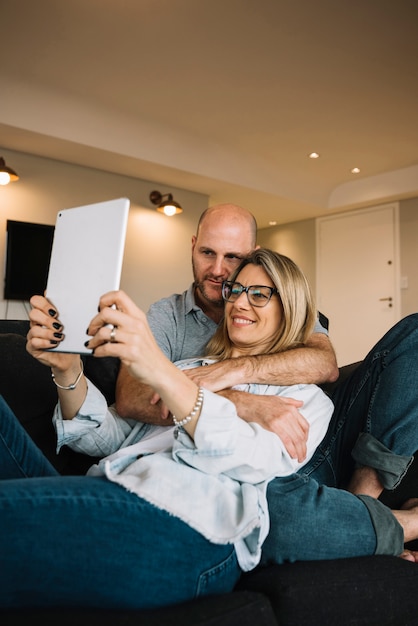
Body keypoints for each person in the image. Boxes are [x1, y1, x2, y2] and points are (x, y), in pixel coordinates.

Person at [0, 249, 335, 609]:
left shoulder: (304, 398)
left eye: (258, 294)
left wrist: (162, 371)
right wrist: (66, 369)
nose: (239, 303)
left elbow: (250, 459)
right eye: (236, 291)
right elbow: (107, 438)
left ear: (291, 307)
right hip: (114, 491)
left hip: (190, 531)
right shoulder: (189, 367)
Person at [116, 203, 339, 463]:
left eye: (232, 257)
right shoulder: (167, 315)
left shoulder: (280, 308)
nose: (218, 270)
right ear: (193, 246)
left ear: (252, 255)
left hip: (276, 450)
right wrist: (239, 403)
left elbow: (324, 363)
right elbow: (131, 398)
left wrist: (233, 370)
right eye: (207, 252)